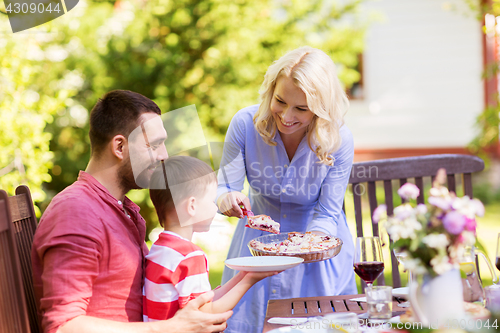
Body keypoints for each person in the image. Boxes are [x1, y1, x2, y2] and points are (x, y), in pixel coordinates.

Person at [32, 90, 232, 333]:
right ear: (119, 146)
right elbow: (63, 326)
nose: (164, 155)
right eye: (155, 145)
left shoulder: (119, 210)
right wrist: (172, 328)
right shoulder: (77, 211)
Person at [217, 46, 357, 332]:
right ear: (271, 90)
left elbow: (328, 212)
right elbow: (225, 188)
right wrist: (228, 199)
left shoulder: (339, 138)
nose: (287, 116)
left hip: (319, 247)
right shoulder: (245, 124)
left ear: (321, 108)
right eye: (280, 101)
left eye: (302, 109)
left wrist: (302, 248)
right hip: (258, 247)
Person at [144, 156, 278, 321]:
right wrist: (249, 281)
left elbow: (204, 300)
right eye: (211, 200)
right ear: (192, 206)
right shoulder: (190, 256)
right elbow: (206, 313)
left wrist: (243, 274)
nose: (216, 207)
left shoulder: (159, 249)